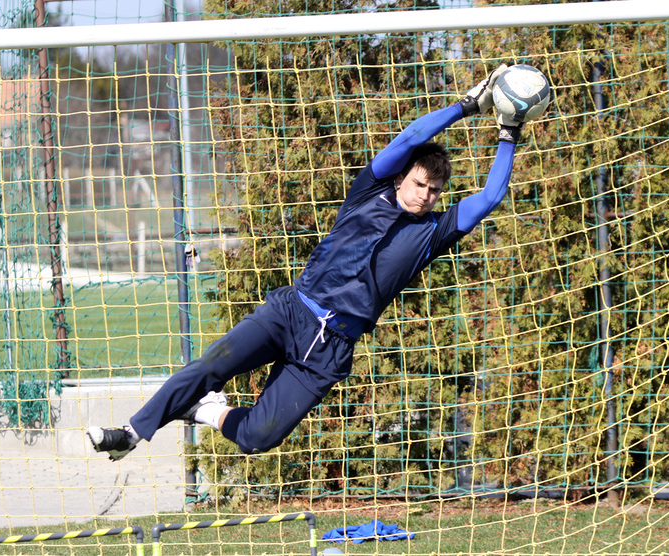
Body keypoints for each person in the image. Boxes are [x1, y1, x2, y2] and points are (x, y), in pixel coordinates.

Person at [87, 64, 527, 461]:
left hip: (329, 349)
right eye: (419, 185)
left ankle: (206, 412)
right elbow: (412, 137)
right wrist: (467, 106)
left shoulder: (434, 231)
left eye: (434, 191)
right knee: (209, 366)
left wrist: (509, 131)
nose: (426, 196)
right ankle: (130, 433)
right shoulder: (369, 192)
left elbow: (490, 197)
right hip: (290, 312)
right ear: (400, 178)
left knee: (257, 437)